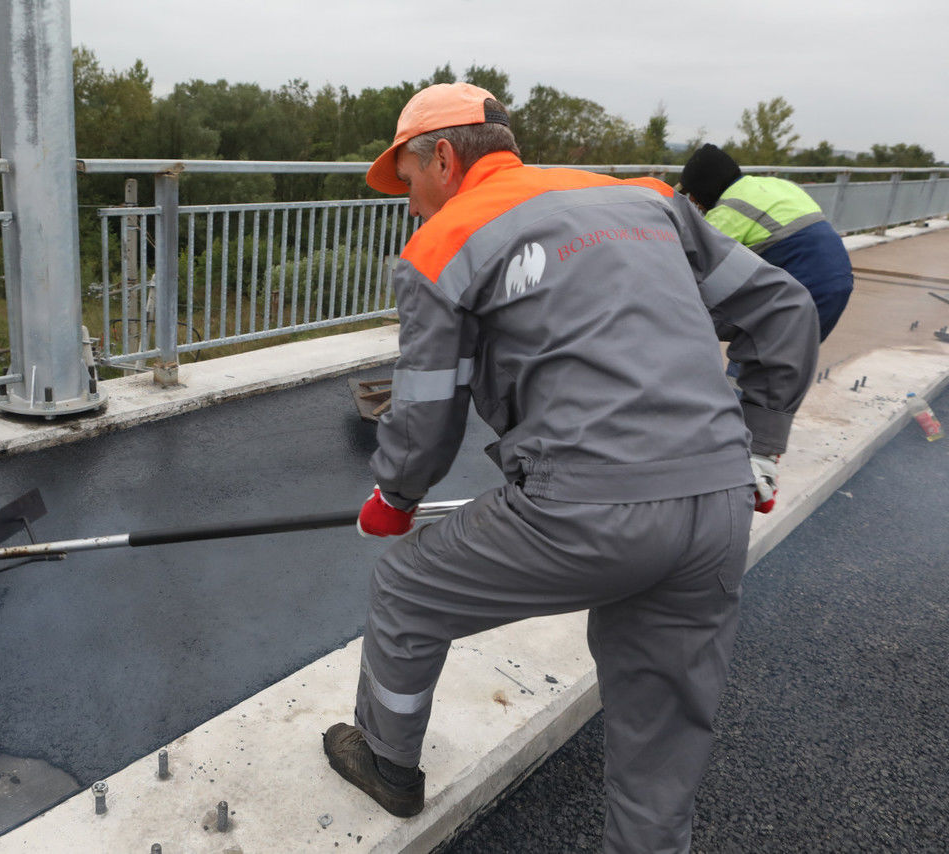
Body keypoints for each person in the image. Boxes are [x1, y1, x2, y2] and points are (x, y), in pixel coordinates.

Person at [322, 82, 819, 853]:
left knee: (405, 585)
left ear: (445, 158)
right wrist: (760, 447)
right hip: (717, 499)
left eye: (411, 184)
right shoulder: (647, 201)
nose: (413, 207)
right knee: (660, 736)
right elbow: (785, 310)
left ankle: (388, 763)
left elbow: (426, 414)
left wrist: (394, 494)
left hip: (590, 509)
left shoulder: (447, 240)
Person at [678, 143, 854, 340]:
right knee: (785, 360)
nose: (696, 205)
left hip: (808, 286)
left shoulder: (728, 210)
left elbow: (691, 267)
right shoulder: (772, 184)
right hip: (837, 278)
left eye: (694, 198)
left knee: (759, 358)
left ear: (705, 187)